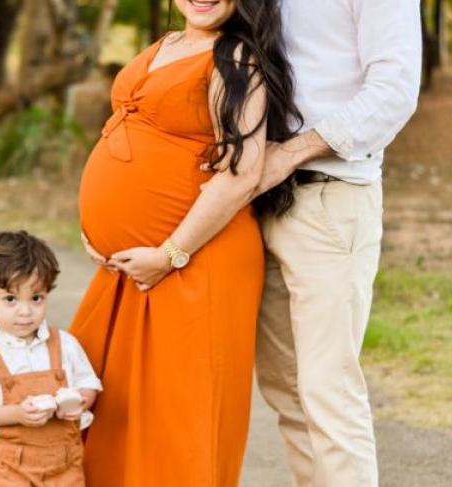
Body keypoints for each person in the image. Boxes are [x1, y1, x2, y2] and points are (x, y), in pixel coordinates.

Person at [68, 0, 303, 485]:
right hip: (131, 271)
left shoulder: (237, 58)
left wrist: (169, 254)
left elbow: (241, 175)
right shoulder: (170, 42)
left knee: (178, 420)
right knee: (110, 409)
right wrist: (101, 225)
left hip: (196, 261)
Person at [202, 1, 423, 485]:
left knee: (328, 390)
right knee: (286, 390)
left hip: (329, 198)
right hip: (255, 202)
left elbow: (394, 90)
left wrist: (290, 154)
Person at [0, 230, 102, 486]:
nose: (25, 311)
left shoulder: (64, 344)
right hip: (14, 471)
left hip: (66, 468)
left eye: (36, 298)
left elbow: (88, 384)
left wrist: (79, 401)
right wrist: (17, 413)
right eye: (11, 299)